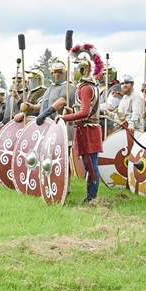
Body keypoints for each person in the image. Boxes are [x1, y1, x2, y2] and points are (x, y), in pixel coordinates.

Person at [55, 55, 103, 204]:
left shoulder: (86, 88)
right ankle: (91, 196)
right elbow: (81, 110)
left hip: (88, 129)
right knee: (90, 163)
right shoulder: (89, 86)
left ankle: (91, 197)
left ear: (82, 70)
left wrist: (65, 118)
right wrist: (72, 112)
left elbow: (85, 113)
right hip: (88, 128)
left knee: (90, 164)